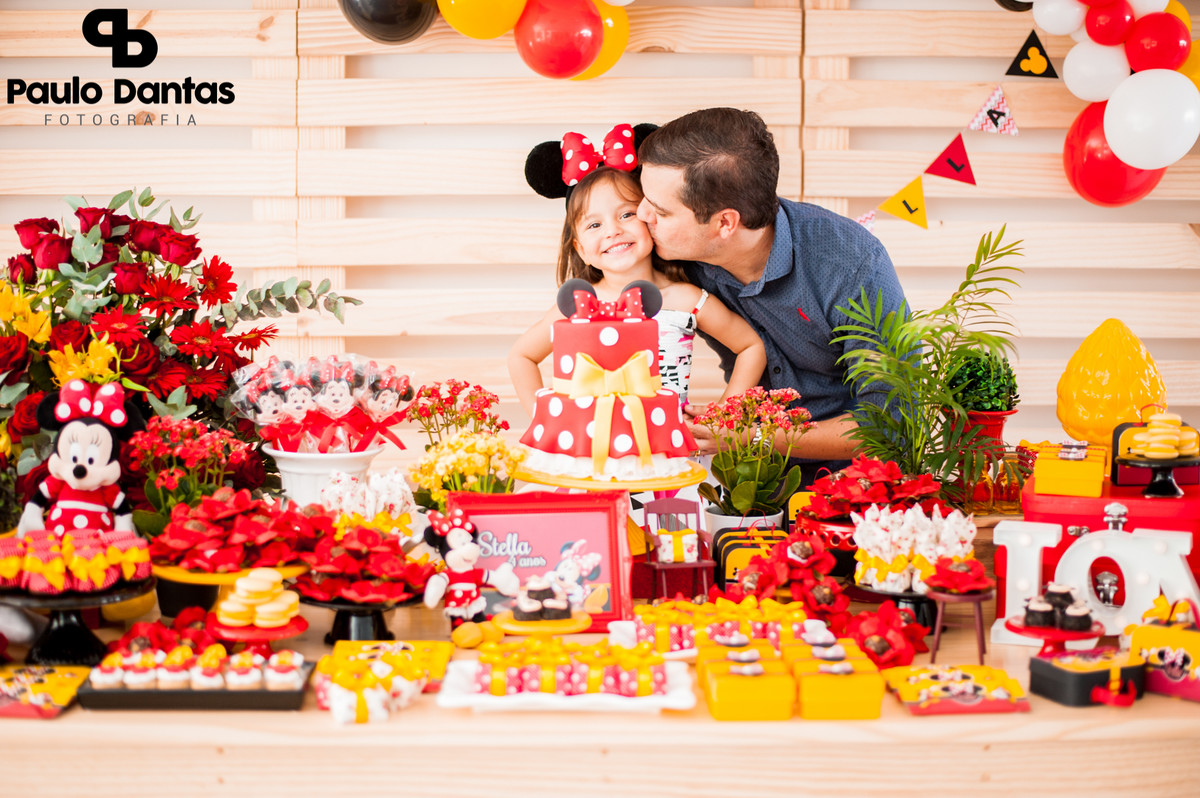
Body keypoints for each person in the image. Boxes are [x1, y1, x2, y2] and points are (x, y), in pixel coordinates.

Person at [635, 107, 907, 485]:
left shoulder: (851, 266)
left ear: (725, 223)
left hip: (851, 486)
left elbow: (888, 424)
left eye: (660, 211)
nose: (640, 213)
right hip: (748, 480)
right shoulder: (675, 254)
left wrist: (753, 436)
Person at [508, 159, 766, 418]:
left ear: (650, 220)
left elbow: (751, 347)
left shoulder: (687, 300)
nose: (613, 231)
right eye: (595, 225)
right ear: (581, 249)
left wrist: (722, 417)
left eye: (627, 215)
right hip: (594, 442)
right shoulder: (579, 306)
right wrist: (544, 420)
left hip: (669, 441)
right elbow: (521, 356)